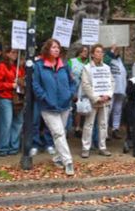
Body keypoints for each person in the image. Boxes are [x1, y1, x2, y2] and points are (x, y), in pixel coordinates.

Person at [31, 39, 78, 175]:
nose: (56, 50)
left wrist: (70, 94)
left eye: (58, 47)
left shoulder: (63, 64)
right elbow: (36, 85)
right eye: (53, 47)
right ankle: (68, 161)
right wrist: (44, 97)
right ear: (47, 49)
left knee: (60, 133)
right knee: (58, 133)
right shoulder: (39, 65)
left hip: (64, 104)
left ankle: (57, 157)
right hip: (48, 106)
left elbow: (72, 82)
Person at [80, 44, 113, 158]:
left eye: (102, 52)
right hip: (93, 101)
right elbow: (85, 85)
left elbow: (112, 82)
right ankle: (85, 148)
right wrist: (96, 98)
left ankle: (102, 147)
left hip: (105, 101)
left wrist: (108, 95)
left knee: (103, 124)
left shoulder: (107, 68)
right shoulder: (87, 68)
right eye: (98, 52)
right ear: (93, 54)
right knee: (89, 125)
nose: (100, 54)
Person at [0, 47, 25, 157]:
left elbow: (24, 80)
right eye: (13, 52)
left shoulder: (19, 67)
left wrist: (21, 81)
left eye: (17, 52)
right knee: (6, 123)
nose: (15, 54)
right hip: (6, 98)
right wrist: (11, 85)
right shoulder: (2, 66)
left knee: (18, 122)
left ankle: (14, 147)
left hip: (18, 99)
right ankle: (3, 147)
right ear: (7, 53)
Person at [69, 45, 90, 137]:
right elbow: (68, 73)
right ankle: (67, 129)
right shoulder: (72, 61)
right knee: (69, 109)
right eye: (84, 51)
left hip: (83, 90)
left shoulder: (88, 63)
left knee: (80, 108)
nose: (86, 53)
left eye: (87, 51)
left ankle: (78, 128)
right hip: (73, 88)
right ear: (80, 52)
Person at [107, 46, 128, 140]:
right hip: (110, 89)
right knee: (108, 110)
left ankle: (115, 129)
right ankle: (105, 131)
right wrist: (111, 51)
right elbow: (106, 61)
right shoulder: (107, 58)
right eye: (115, 50)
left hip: (120, 88)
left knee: (118, 110)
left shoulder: (120, 60)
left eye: (117, 50)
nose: (116, 52)